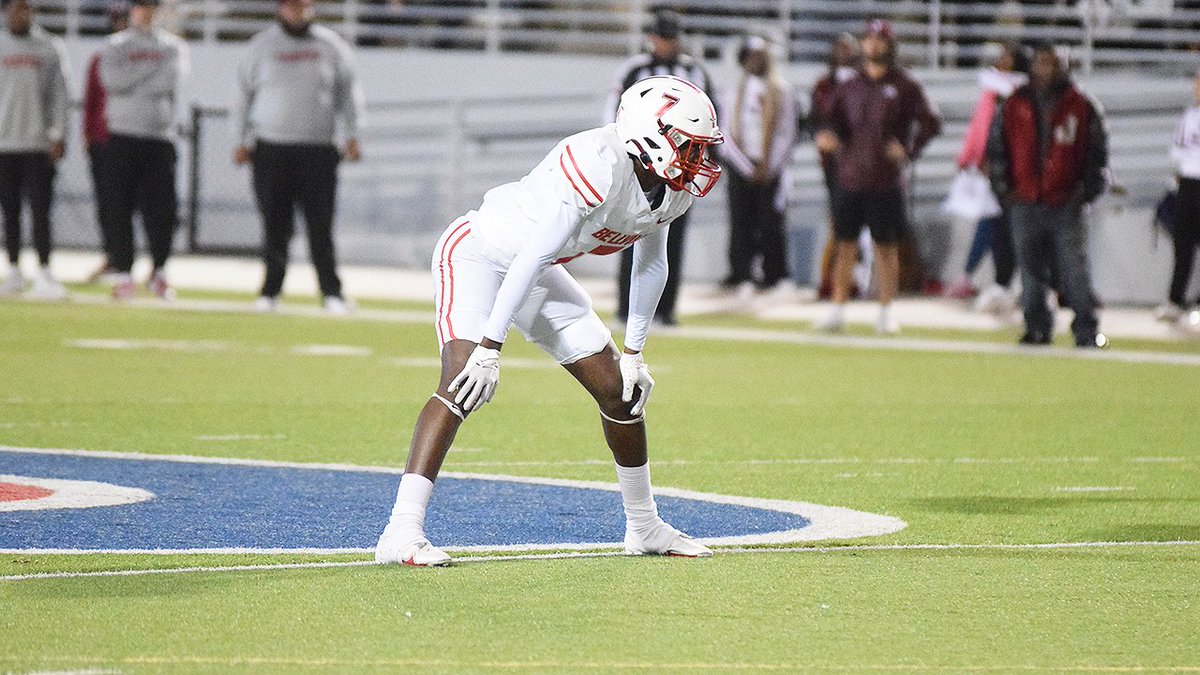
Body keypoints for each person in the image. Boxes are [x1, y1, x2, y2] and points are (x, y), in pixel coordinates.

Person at [375, 76, 722, 566]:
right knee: (461, 380)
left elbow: (651, 263)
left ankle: (644, 526)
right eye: (686, 144)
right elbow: (533, 253)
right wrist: (490, 347)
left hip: (535, 270)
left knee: (620, 391)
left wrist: (634, 352)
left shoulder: (670, 191)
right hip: (480, 252)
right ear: (649, 134)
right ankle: (400, 532)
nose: (695, 158)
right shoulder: (597, 163)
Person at [235, 0, 364, 315]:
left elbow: (349, 93)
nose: (298, 13)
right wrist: (239, 139)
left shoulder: (330, 45)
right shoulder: (261, 46)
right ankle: (270, 292)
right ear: (281, 9)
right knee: (275, 224)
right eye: (292, 7)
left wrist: (354, 134)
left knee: (320, 225)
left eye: (303, 6)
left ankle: (331, 293)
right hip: (270, 147)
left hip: (317, 149)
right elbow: (242, 95)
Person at [814, 19, 941, 335]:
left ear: (890, 44)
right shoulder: (850, 86)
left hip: (885, 180)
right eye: (869, 39)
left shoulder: (905, 86)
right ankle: (838, 307)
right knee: (844, 245)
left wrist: (908, 150)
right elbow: (827, 121)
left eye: (879, 40)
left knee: (886, 247)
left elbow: (931, 123)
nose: (873, 45)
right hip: (850, 175)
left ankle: (885, 309)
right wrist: (826, 137)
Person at [986, 44, 1108, 348]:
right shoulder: (1014, 104)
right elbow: (997, 150)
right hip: (1025, 199)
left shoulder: (1081, 105)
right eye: (1042, 63)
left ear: (1065, 67)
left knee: (1074, 269)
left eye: (1053, 64)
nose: (1047, 69)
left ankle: (1086, 330)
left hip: (1065, 200)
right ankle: (1036, 327)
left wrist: (1083, 193)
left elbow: (1097, 156)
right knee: (1029, 270)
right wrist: (1006, 192)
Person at [605, 8, 711, 326]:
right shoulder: (634, 69)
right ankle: (626, 308)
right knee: (630, 233)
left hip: (680, 165)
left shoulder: (695, 71)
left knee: (672, 239)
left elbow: (708, 115)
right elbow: (614, 111)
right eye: (663, 38)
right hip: (640, 163)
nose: (667, 44)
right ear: (653, 39)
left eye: (672, 38)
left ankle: (665, 310)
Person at [97, 0, 188, 300]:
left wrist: (134, 77)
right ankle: (124, 274)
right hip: (122, 136)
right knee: (118, 208)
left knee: (162, 211)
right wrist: (151, 71)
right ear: (131, 10)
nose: (145, 12)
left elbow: (170, 81)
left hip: (159, 138)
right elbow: (112, 81)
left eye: (150, 6)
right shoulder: (115, 44)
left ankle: (159, 271)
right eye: (140, 6)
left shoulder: (173, 47)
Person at [943, 41, 1028, 314]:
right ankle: (998, 283)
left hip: (1012, 172)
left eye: (1007, 57)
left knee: (1005, 228)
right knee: (994, 226)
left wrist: (995, 160)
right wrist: (969, 155)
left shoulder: (1021, 93)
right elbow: (979, 126)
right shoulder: (992, 90)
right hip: (988, 170)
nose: (1001, 62)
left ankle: (1004, 283)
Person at [718, 35, 798, 294]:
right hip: (742, 167)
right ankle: (743, 275)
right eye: (751, 57)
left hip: (771, 169)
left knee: (771, 223)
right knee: (741, 223)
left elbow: (788, 132)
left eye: (760, 56)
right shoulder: (733, 92)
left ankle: (776, 275)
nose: (756, 62)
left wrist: (769, 165)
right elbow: (726, 133)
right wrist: (746, 167)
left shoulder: (782, 90)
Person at [0, 0, 69, 299]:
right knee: (9, 211)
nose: (19, 14)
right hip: (4, 143)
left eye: (25, 8)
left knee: (41, 210)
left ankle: (44, 271)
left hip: (38, 143)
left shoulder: (49, 47)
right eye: (14, 8)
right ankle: (13, 270)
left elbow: (60, 94)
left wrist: (59, 134)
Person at [81, 1, 129, 286]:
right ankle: (114, 257)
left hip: (129, 137)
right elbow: (91, 99)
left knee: (136, 203)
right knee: (108, 204)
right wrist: (88, 133)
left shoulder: (142, 54)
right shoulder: (101, 57)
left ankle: (138, 261)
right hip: (104, 139)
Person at [811, 32, 862, 301]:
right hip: (834, 164)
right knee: (839, 224)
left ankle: (854, 279)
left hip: (862, 163)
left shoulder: (863, 82)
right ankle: (832, 282)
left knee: (855, 228)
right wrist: (823, 136)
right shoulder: (824, 84)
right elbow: (815, 120)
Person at [1156, 68, 1200, 325]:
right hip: (1188, 185)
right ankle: (1175, 300)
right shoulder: (1190, 114)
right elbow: (1178, 153)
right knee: (1182, 246)